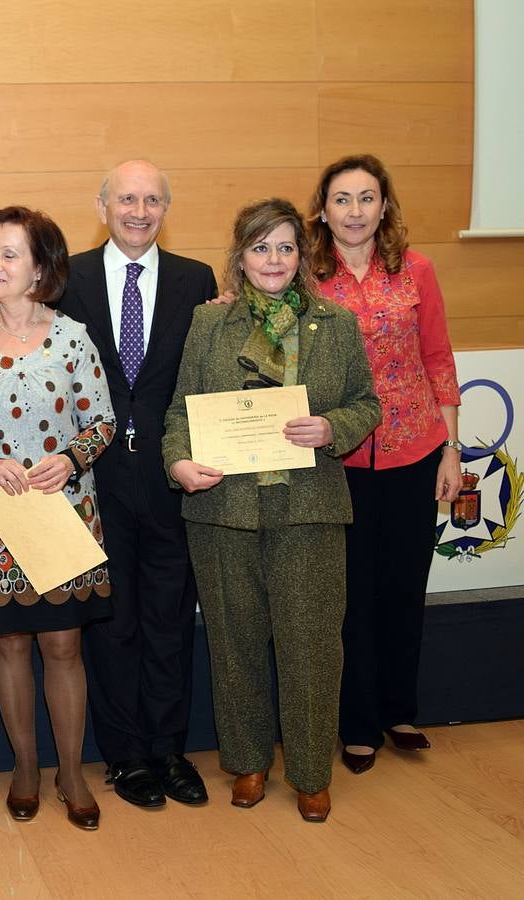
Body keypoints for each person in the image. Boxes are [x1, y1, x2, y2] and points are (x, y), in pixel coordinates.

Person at [162, 198, 381, 822]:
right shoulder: (210, 325)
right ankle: (249, 761)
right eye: (261, 247)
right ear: (240, 256)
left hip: (308, 510)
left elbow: (367, 403)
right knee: (235, 644)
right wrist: (178, 463)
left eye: (286, 246)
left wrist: (331, 426)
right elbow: (180, 410)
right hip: (224, 510)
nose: (274, 259)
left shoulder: (335, 324)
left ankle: (311, 773)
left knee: (312, 645)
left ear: (303, 255)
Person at [0, 206, 114, 829]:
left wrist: (69, 460)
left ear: (41, 269)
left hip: (62, 513)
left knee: (63, 644)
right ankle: (24, 768)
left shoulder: (73, 337)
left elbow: (103, 422)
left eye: (10, 254)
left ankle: (71, 772)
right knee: (9, 643)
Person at [59, 160, 217, 808]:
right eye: (126, 198)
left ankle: (168, 750)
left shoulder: (195, 281)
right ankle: (124, 756)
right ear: (102, 205)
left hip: (170, 478)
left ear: (164, 209)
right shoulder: (64, 279)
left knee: (169, 621)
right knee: (110, 625)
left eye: (152, 199)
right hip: (91, 483)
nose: (139, 210)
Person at [305, 155, 462, 774]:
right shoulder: (308, 278)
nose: (355, 211)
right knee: (350, 598)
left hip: (415, 451)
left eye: (367, 198)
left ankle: (400, 710)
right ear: (323, 210)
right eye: (342, 200)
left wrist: (452, 447)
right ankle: (358, 723)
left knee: (403, 588)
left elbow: (438, 358)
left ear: (385, 205)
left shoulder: (416, 270)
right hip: (338, 460)